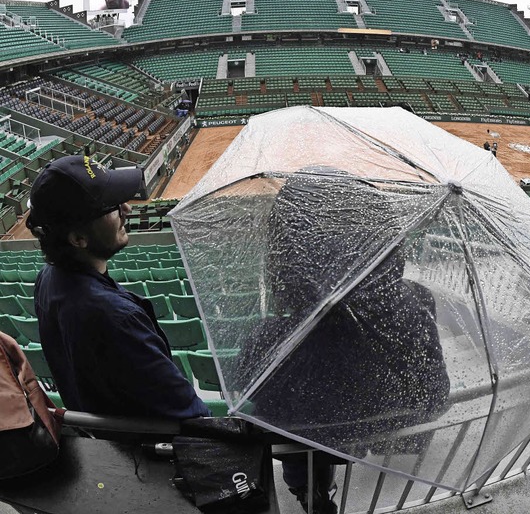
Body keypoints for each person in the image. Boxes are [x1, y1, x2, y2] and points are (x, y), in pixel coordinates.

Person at [239, 167, 450, 513]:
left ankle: (308, 492)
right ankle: (318, 486)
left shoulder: (270, 339)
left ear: (284, 252)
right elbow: (436, 397)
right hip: (370, 434)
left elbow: (255, 401)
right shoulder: (418, 303)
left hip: (305, 443)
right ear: (385, 237)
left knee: (303, 438)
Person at [26, 155, 209, 420]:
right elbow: (192, 416)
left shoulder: (48, 278)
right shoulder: (117, 318)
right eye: (111, 207)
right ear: (79, 239)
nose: (127, 210)